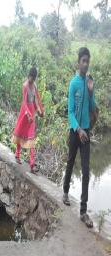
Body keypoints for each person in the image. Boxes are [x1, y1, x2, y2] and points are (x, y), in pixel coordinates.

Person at [63, 47, 97, 228]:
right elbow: (69, 112)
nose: (85, 64)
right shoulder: (73, 83)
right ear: (78, 62)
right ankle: (65, 191)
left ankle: (83, 211)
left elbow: (92, 107)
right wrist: (77, 129)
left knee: (86, 170)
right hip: (75, 131)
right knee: (70, 162)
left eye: (87, 61)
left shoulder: (90, 82)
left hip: (86, 132)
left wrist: (91, 92)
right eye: (83, 60)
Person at [12, 67, 44, 174]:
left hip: (32, 114)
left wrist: (39, 111)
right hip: (25, 113)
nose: (32, 80)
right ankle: (17, 154)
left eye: (34, 78)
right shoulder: (25, 86)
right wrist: (28, 114)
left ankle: (32, 164)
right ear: (28, 75)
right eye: (31, 77)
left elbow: (35, 101)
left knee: (31, 138)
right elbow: (24, 102)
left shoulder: (34, 86)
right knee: (21, 133)